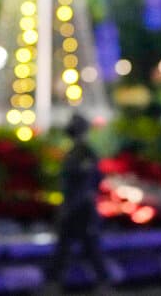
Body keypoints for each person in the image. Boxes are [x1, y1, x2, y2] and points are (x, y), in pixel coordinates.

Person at [47, 112, 109, 288]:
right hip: (75, 205)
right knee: (66, 247)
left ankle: (102, 282)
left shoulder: (84, 153)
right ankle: (54, 281)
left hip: (82, 207)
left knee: (87, 246)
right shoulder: (76, 152)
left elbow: (93, 178)